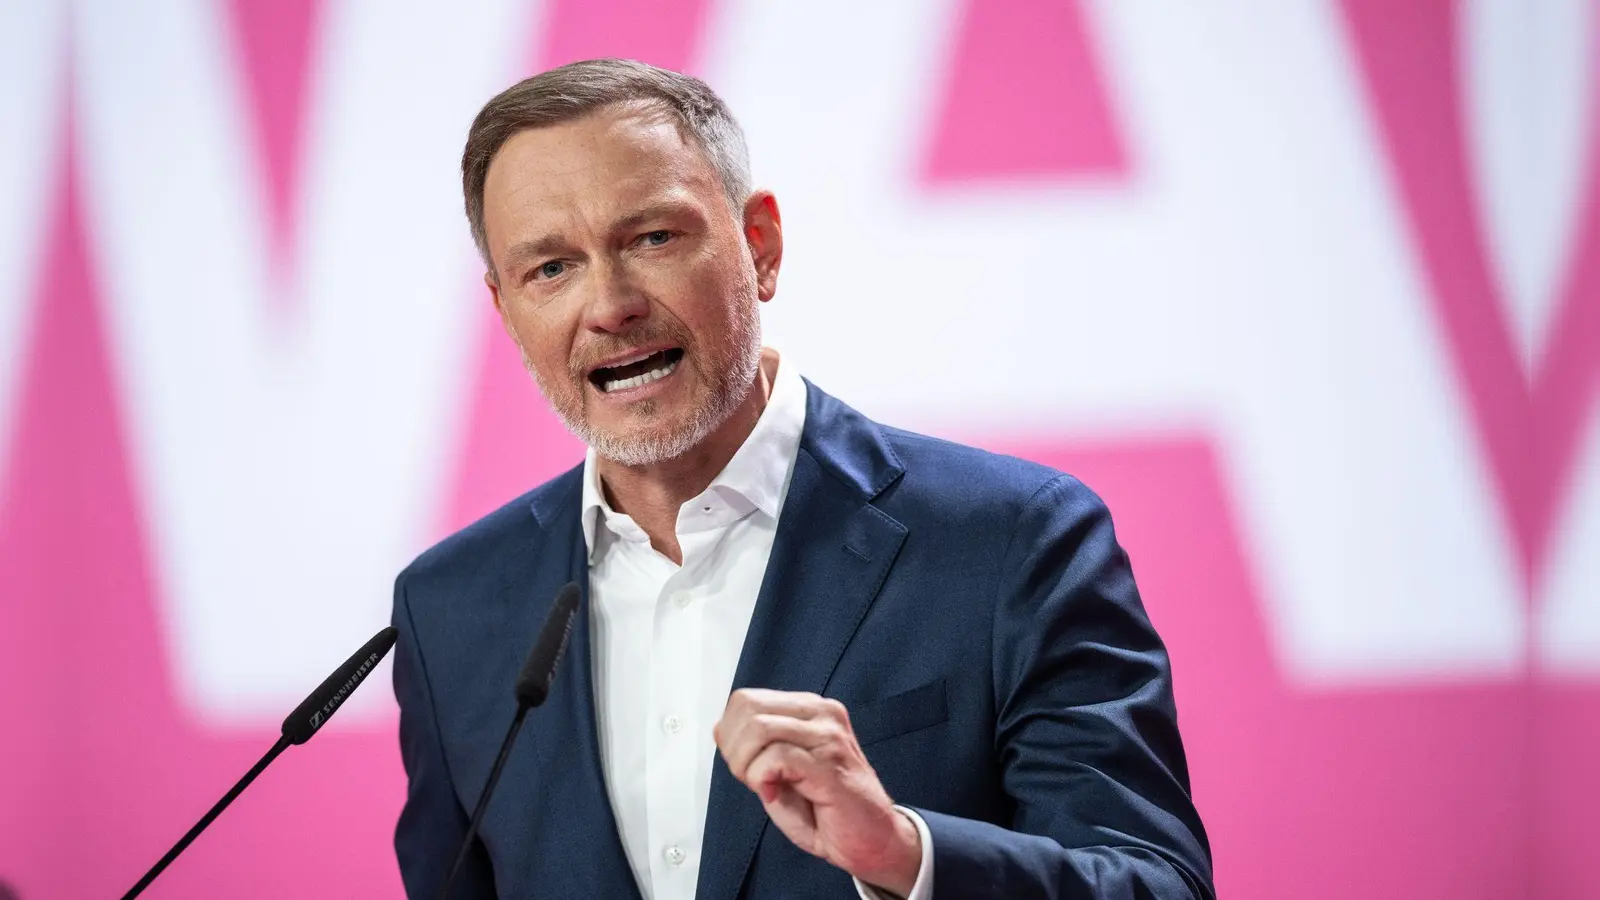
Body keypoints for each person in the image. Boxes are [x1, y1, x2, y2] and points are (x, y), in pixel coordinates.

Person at [392, 58, 1213, 900]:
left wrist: (906, 855)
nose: (610, 306)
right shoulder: (451, 609)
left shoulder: (1010, 541)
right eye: (551, 269)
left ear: (761, 247)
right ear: (506, 310)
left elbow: (1156, 885)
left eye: (652, 238)